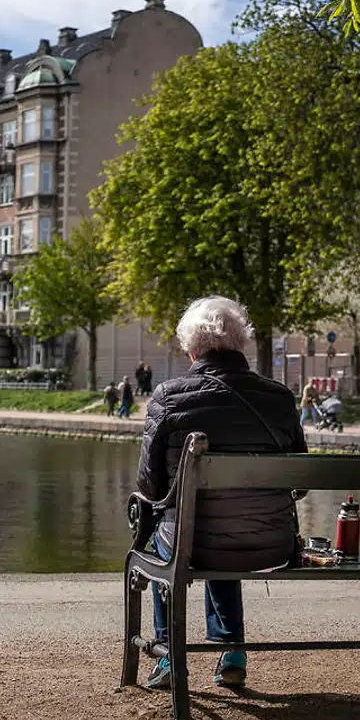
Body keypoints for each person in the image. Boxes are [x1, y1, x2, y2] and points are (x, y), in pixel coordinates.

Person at [137, 295, 305, 690]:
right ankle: (232, 650)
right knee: (220, 525)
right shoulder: (280, 398)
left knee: (183, 527)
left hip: (195, 542)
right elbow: (301, 480)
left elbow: (150, 487)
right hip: (270, 543)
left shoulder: (168, 397)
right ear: (240, 343)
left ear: (191, 349)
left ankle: (167, 653)